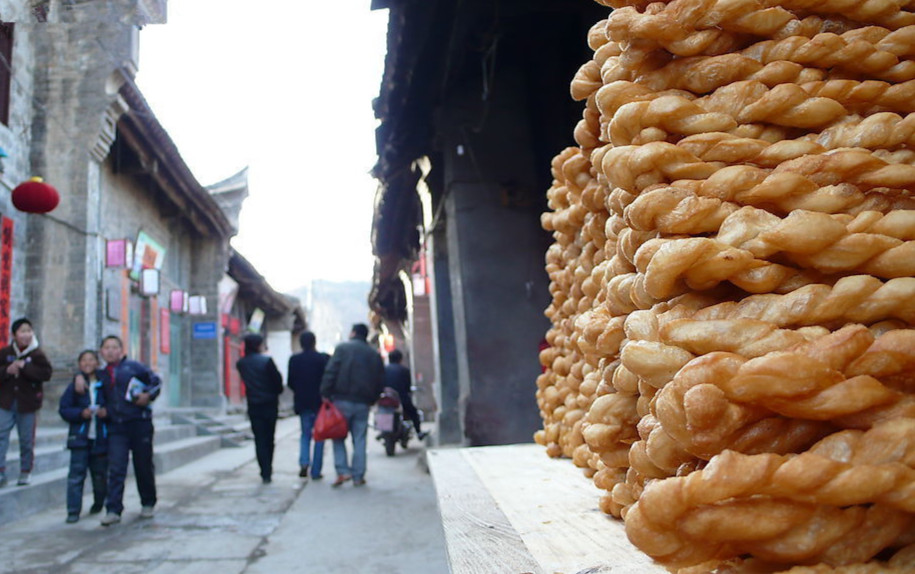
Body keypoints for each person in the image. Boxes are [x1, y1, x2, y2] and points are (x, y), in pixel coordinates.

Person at [98, 335, 161, 526]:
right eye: (106, 347)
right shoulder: (101, 374)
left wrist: (148, 395)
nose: (110, 351)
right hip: (116, 426)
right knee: (116, 467)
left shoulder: (134, 367)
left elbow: (156, 382)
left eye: (114, 347)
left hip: (139, 423)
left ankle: (148, 502)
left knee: (143, 465)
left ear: (121, 350)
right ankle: (113, 509)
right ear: (101, 352)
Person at [320, 323, 384, 488]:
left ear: (353, 333)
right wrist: (373, 399)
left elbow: (331, 371)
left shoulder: (342, 348)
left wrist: (325, 393)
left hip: (341, 401)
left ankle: (343, 471)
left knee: (338, 436)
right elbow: (380, 380)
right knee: (360, 439)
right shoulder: (374, 354)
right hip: (363, 403)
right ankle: (358, 476)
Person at [0, 317, 53, 487]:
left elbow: (46, 374)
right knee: (1, 436)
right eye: (22, 331)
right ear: (14, 334)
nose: (26, 335)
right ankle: (1, 471)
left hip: (27, 403)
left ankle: (25, 471)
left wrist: (25, 367)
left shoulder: (37, 354)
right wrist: (6, 370)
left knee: (26, 439)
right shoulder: (6, 353)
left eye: (29, 331)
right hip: (6, 402)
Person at [59, 350, 108, 523]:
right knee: (76, 475)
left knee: (100, 474)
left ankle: (99, 502)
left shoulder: (105, 382)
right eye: (83, 360)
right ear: (79, 364)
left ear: (97, 362)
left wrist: (105, 413)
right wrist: (81, 413)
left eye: (91, 360)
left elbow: (113, 404)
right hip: (80, 438)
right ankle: (73, 511)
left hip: (101, 437)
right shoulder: (75, 386)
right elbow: (64, 409)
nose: (87, 363)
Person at [236, 333, 283, 484]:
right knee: (269, 438)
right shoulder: (267, 361)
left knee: (259, 438)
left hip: (254, 404)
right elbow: (278, 383)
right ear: (258, 345)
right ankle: (268, 468)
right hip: (269, 404)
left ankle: (264, 471)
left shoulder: (241, 364)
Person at [287, 331, 330, 480]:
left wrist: (300, 391)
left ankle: (304, 463)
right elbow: (327, 380)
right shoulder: (322, 359)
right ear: (314, 342)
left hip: (303, 402)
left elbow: (290, 382)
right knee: (319, 436)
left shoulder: (294, 360)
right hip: (320, 404)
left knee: (305, 435)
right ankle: (316, 471)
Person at [384, 349, 427, 441]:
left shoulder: (383, 370)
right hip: (401, 399)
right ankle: (418, 432)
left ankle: (383, 431)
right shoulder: (404, 370)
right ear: (400, 359)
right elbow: (408, 387)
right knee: (414, 413)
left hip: (386, 399)